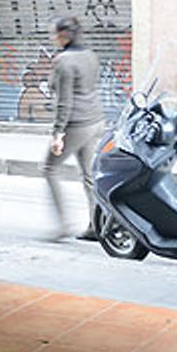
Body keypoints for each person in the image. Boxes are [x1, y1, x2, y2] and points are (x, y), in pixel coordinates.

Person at [41, 16, 104, 241]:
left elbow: (64, 102)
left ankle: (63, 225)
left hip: (76, 124)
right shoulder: (90, 55)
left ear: (64, 35)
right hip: (95, 120)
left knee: (49, 169)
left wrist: (58, 134)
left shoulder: (64, 61)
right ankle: (97, 225)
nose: (52, 38)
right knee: (89, 176)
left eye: (54, 33)